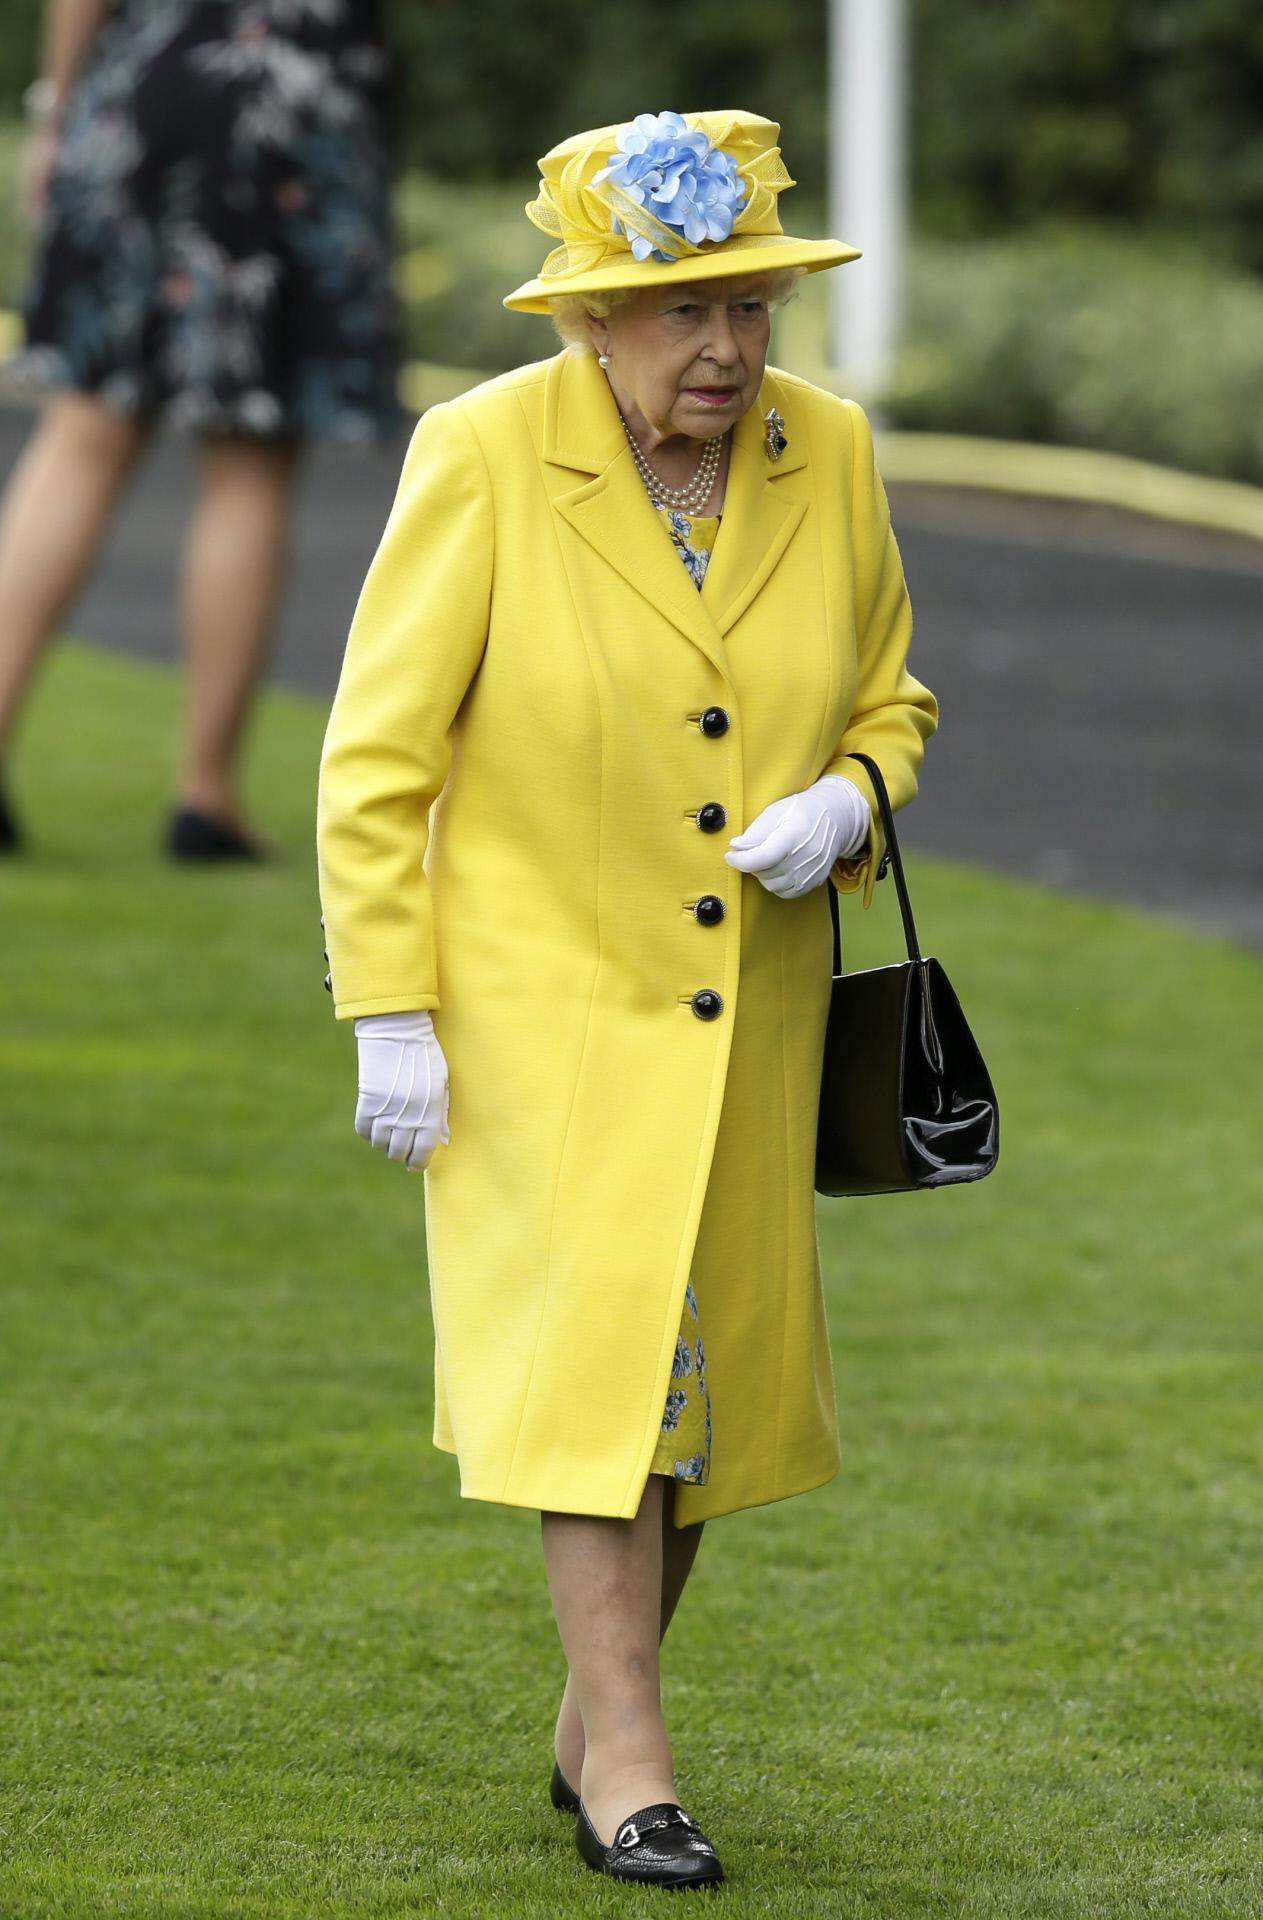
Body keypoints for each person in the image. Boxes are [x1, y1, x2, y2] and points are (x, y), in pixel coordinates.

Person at [316, 110, 938, 1890]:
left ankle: (595, 1719)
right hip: (538, 1020)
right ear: (589, 315)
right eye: (681, 310)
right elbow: (375, 761)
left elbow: (889, 701)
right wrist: (389, 1007)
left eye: (748, 305)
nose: (725, 348)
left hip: (752, 1018)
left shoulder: (830, 449)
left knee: (699, 1407)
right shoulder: (480, 453)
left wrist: (850, 802)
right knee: (602, 1388)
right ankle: (636, 1772)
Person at [0, 0, 398, 859]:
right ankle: (206, 795)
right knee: (249, 460)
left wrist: (58, 110)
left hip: (149, 87)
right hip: (296, 110)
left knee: (84, 427)